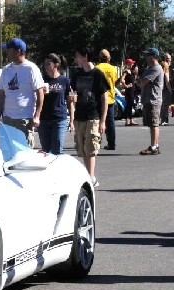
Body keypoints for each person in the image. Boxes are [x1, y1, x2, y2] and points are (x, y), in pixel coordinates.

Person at [0, 37, 45, 147]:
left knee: (25, 150)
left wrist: (37, 116)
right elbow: (0, 93)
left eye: (9, 50)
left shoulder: (31, 69)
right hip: (8, 118)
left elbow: (40, 93)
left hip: (24, 118)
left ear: (18, 51)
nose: (7, 53)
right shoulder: (6, 69)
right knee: (9, 150)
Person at [70, 46, 108, 188]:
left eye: (77, 55)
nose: (75, 58)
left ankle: (91, 177)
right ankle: (88, 174)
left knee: (91, 147)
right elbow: (72, 92)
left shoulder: (97, 74)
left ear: (85, 56)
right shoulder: (77, 74)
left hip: (93, 115)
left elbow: (104, 98)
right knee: (82, 148)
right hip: (79, 115)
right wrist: (72, 113)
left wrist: (103, 121)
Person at [38, 53, 73, 154]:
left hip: (59, 119)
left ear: (56, 65)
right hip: (44, 119)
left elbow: (70, 101)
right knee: (45, 150)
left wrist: (71, 120)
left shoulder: (64, 80)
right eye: (45, 64)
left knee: (57, 149)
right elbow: (36, 99)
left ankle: (58, 169)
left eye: (48, 64)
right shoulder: (42, 80)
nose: (46, 67)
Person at [138, 47, 164, 155]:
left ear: (154, 56)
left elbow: (143, 82)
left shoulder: (156, 68)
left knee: (154, 124)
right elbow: (141, 82)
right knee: (152, 124)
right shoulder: (149, 68)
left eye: (148, 55)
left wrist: (138, 79)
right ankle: (155, 145)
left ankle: (153, 147)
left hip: (153, 100)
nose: (146, 57)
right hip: (149, 99)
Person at [95, 49, 118, 150]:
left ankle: (97, 142)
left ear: (100, 57)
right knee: (110, 122)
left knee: (97, 121)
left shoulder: (96, 68)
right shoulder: (113, 69)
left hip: (98, 99)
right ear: (109, 58)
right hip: (110, 99)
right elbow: (114, 82)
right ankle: (111, 143)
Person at [120, 58, 139, 126]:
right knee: (128, 105)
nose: (132, 64)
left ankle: (130, 120)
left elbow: (134, 79)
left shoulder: (131, 71)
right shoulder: (126, 71)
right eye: (131, 63)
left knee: (130, 105)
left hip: (132, 90)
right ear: (128, 64)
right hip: (129, 90)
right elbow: (122, 80)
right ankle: (127, 120)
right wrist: (126, 86)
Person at [159, 53, 171, 125]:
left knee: (166, 105)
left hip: (170, 87)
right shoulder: (164, 65)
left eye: (168, 58)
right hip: (165, 88)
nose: (167, 59)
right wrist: (169, 88)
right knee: (164, 105)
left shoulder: (171, 66)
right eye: (166, 58)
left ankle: (164, 120)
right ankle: (164, 120)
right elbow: (166, 79)